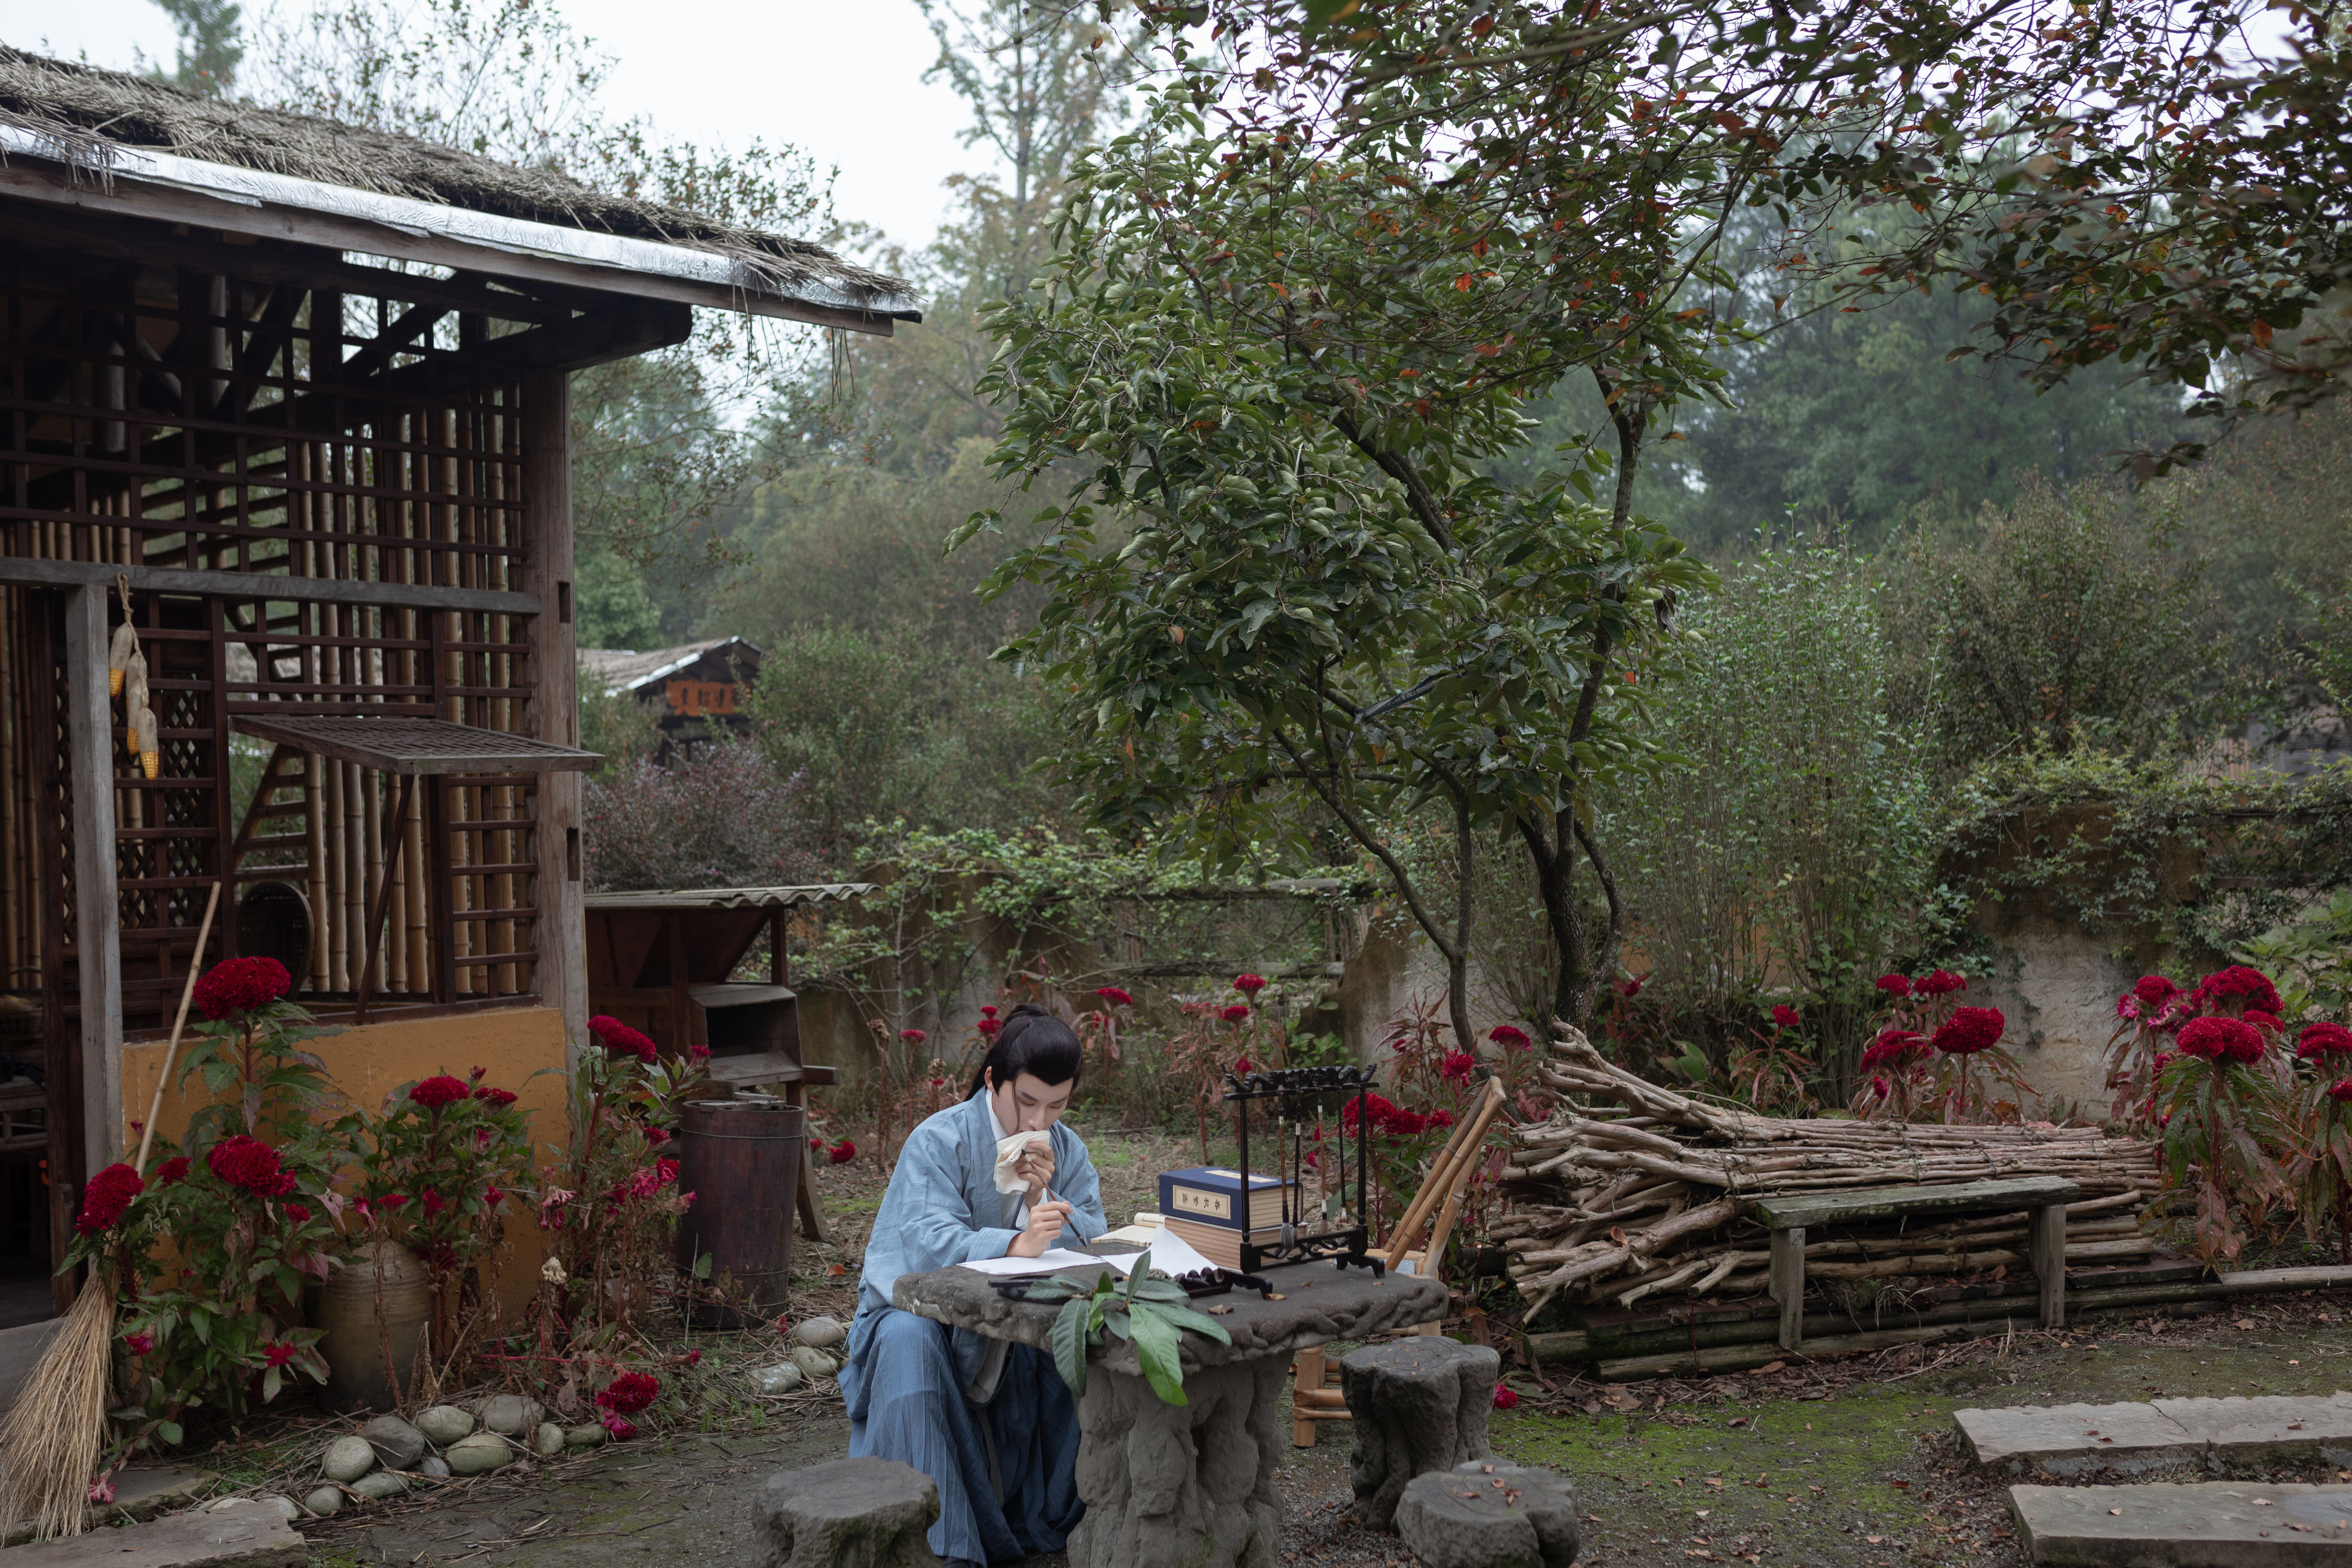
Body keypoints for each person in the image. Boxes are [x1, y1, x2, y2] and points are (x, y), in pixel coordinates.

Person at [836, 1003, 1106, 1568]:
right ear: (994, 1080)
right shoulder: (939, 1139)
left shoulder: (1068, 1149)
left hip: (1012, 1310)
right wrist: (1013, 1245)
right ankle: (942, 1545)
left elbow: (1092, 1237)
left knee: (1077, 1337)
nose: (1039, 1120)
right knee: (909, 1343)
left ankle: (1048, 1522)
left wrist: (1043, 1201)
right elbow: (927, 1242)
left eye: (1056, 1105)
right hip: (916, 1309)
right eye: (1027, 1100)